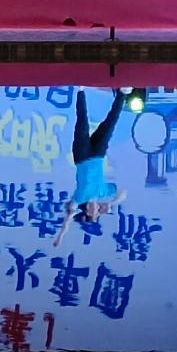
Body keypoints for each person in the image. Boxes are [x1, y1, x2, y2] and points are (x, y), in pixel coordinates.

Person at [53, 87, 129, 247]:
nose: (96, 212)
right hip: (97, 154)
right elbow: (123, 192)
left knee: (82, 122)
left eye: (93, 214)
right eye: (97, 215)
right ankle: (123, 93)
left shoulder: (80, 198)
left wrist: (60, 237)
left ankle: (80, 90)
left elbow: (69, 217)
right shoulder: (102, 192)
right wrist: (111, 203)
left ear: (87, 211)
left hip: (81, 156)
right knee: (110, 124)